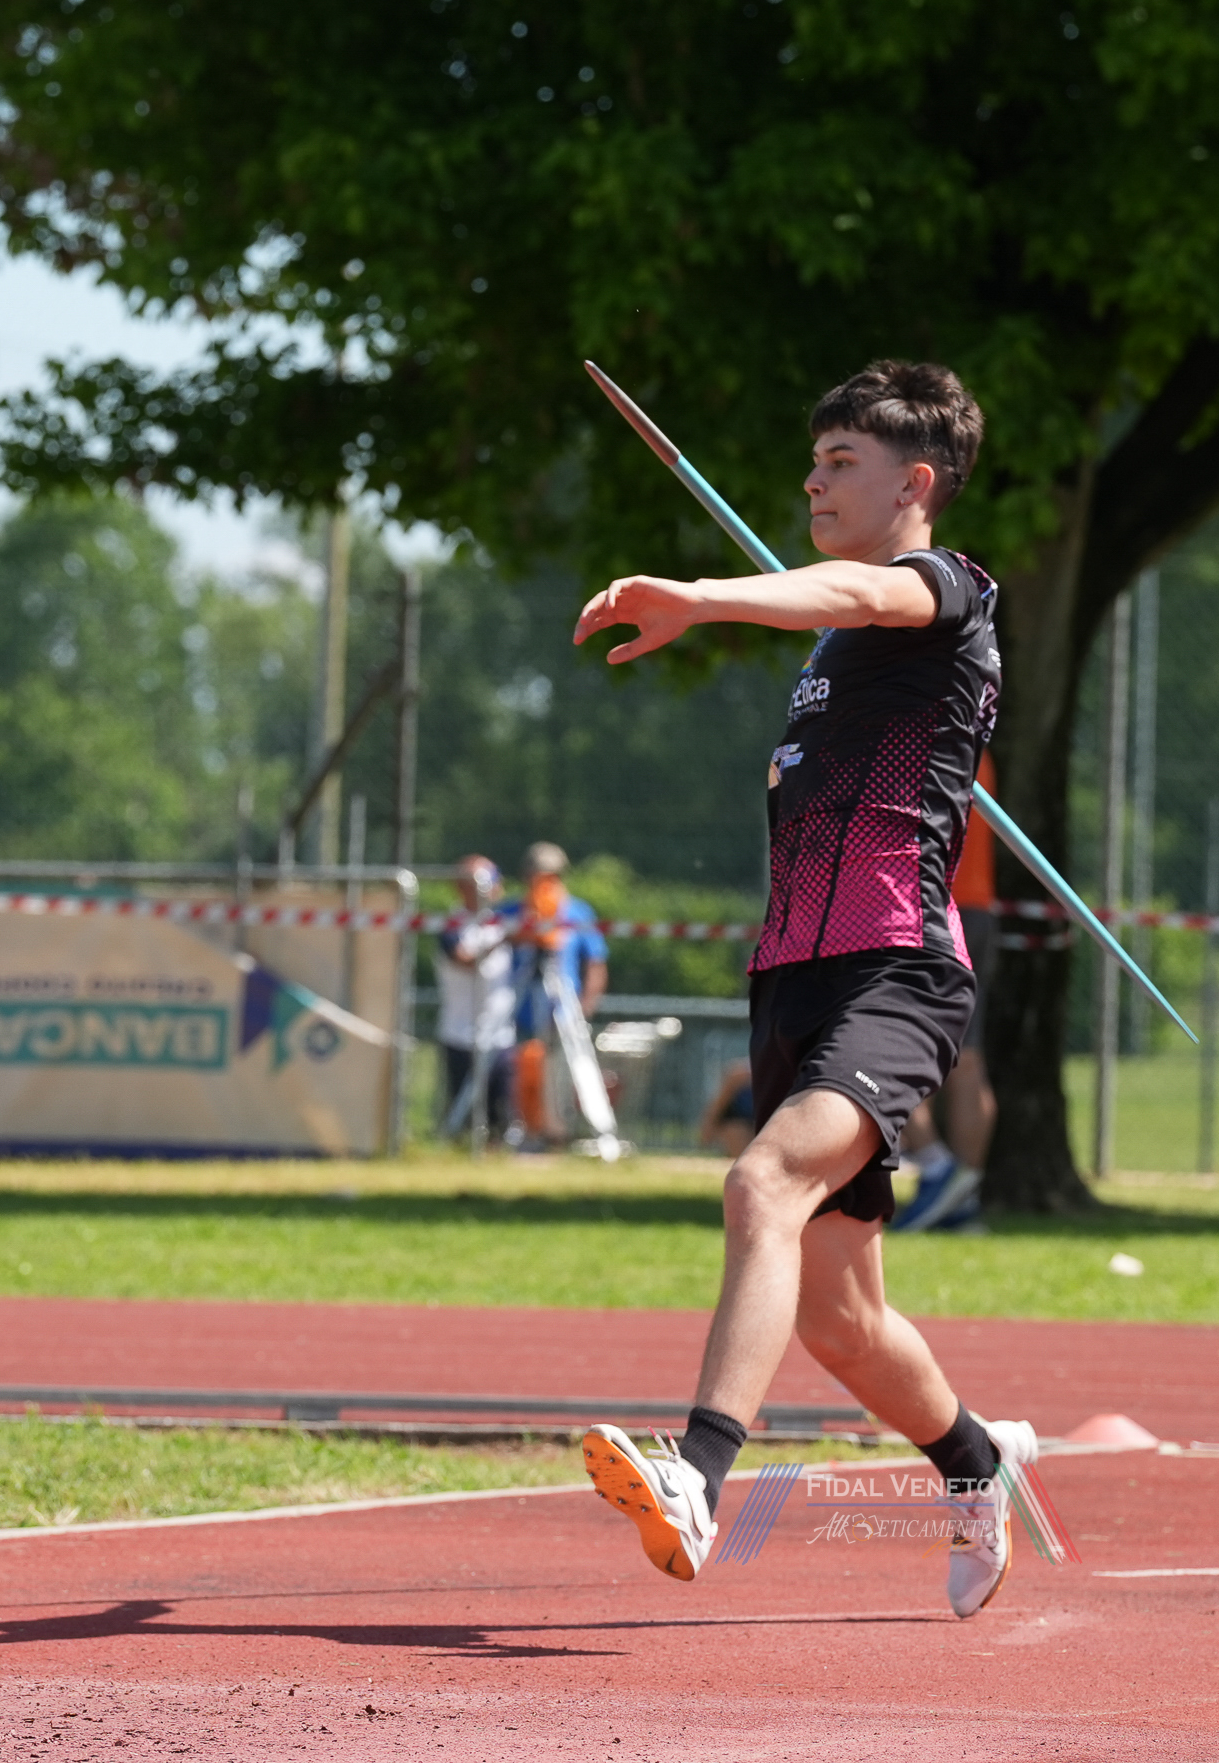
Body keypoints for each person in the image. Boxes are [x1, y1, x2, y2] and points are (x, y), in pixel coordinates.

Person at [566, 359, 1036, 1619]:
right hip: (791, 979)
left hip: (897, 968)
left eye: (841, 463)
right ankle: (977, 1464)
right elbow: (836, 603)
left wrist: (701, 597)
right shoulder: (841, 639)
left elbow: (860, 586)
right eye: (813, 460)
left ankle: (697, 1476)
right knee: (843, 1320)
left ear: (915, 482)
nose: (813, 481)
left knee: (760, 1180)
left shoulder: (944, 588)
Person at [891, 753, 1002, 1233]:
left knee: (890, 1047)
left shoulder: (911, 735)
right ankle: (963, 1198)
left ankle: (939, 1170)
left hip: (925, 906)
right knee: (966, 1059)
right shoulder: (976, 744)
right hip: (972, 908)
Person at [508, 841, 610, 1147]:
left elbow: (595, 963)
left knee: (559, 1075)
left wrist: (586, 1004)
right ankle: (516, 1130)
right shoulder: (511, 911)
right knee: (517, 1071)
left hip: (561, 1011)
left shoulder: (577, 912)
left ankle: (556, 1133)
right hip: (516, 1010)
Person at [433, 856, 518, 1140]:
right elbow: (464, 960)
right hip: (462, 1034)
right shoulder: (451, 925)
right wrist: (502, 940)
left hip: (500, 1035)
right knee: (465, 1115)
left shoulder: (499, 921)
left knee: (501, 1115)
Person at [698, 1060, 758, 1159]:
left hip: (767, 1125)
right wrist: (706, 1134)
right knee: (735, 1130)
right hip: (739, 1125)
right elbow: (717, 1108)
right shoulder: (740, 1075)